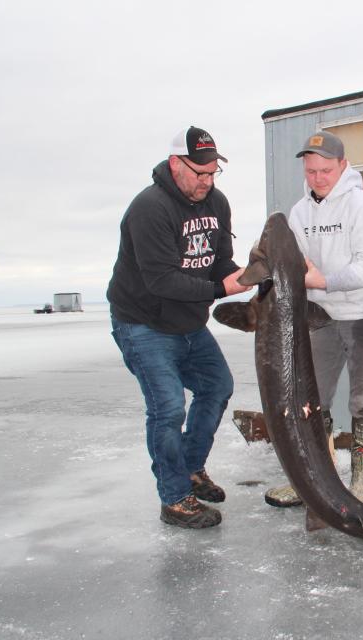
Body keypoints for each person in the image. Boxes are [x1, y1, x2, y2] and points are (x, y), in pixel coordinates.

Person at [107, 126, 251, 529]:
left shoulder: (216, 203)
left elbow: (221, 260)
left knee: (216, 386)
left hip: (188, 322)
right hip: (143, 323)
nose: (207, 181)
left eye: (212, 173)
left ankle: (190, 469)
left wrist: (245, 274)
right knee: (168, 407)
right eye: (199, 173)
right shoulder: (149, 208)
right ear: (176, 164)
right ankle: (173, 499)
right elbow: (162, 281)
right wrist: (221, 288)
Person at [265, 131, 363, 509]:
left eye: (325, 170)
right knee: (311, 401)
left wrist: (324, 281)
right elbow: (296, 263)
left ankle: (361, 483)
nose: (318, 178)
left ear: (342, 165)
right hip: (320, 318)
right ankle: (314, 478)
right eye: (310, 171)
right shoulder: (300, 212)